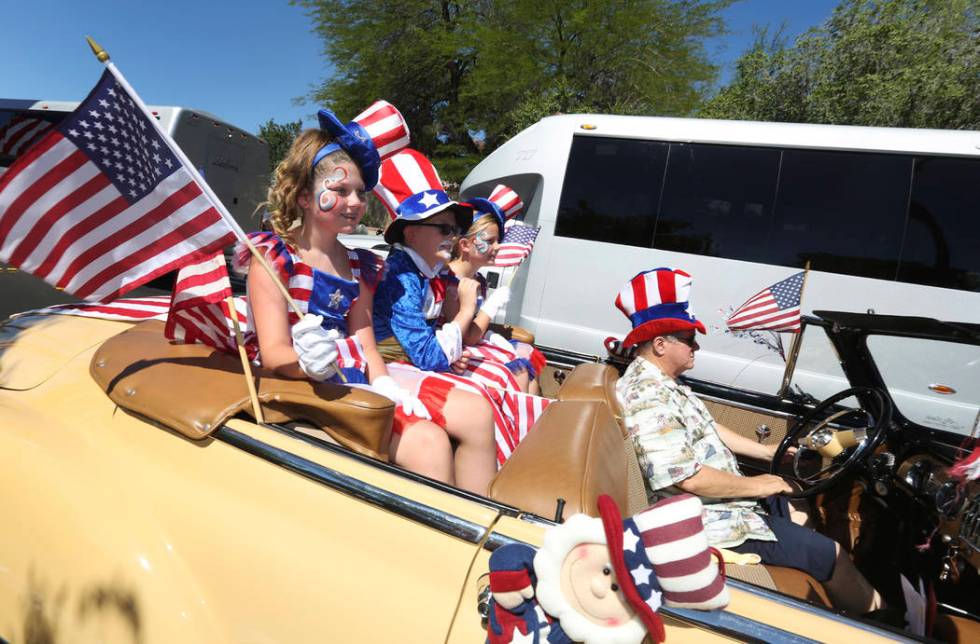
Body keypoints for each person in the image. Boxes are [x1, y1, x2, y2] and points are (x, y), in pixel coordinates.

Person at [240, 102, 492, 494]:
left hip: (351, 380)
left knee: (440, 431)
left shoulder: (359, 265)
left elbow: (366, 344)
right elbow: (274, 354)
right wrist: (306, 362)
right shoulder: (273, 259)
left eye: (360, 191)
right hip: (296, 387)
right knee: (428, 445)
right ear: (306, 196)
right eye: (340, 190)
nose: (356, 201)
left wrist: (385, 385)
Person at [612, 267, 883, 615]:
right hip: (710, 521)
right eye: (689, 337)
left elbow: (707, 427)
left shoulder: (664, 384)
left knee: (798, 504)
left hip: (722, 506)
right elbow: (685, 478)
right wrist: (756, 485)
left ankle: (819, 599)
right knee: (832, 553)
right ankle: (878, 622)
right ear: (661, 344)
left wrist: (767, 452)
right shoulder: (647, 396)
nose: (697, 344)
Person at [440, 185, 545, 395]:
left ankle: (526, 422)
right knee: (519, 373)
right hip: (453, 352)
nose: (497, 247)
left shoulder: (478, 279)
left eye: (499, 241)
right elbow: (467, 336)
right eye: (489, 241)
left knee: (527, 359)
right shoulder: (451, 281)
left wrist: (491, 334)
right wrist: (491, 308)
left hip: (473, 344)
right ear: (465, 245)